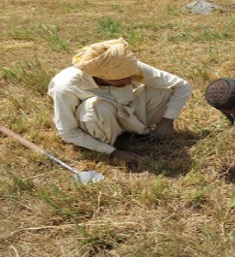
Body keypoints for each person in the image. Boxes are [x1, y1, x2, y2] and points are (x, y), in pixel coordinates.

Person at [48, 38, 191, 163]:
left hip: (129, 113)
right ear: (99, 75)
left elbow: (181, 86)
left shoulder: (125, 65)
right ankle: (113, 142)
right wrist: (112, 152)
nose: (129, 80)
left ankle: (133, 132)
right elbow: (68, 132)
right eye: (120, 78)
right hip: (100, 126)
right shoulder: (65, 86)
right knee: (96, 106)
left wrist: (167, 121)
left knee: (165, 88)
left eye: (130, 75)